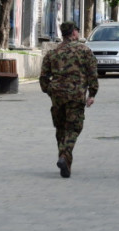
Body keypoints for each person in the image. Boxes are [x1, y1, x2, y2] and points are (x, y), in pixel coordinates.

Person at [39, 21, 98, 178]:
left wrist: (50, 91)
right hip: (76, 95)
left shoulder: (53, 53)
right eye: (77, 31)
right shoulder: (84, 51)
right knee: (73, 128)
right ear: (73, 33)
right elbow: (92, 73)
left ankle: (65, 161)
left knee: (60, 128)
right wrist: (92, 93)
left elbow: (44, 77)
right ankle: (65, 155)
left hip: (57, 94)